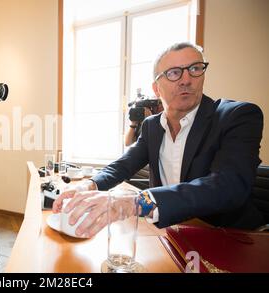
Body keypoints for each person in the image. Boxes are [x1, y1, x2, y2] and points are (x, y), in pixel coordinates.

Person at [53, 42, 265, 238]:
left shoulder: (238, 115)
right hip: (172, 232)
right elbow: (123, 165)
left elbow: (228, 186)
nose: (186, 79)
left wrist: (137, 202)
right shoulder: (152, 126)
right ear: (156, 88)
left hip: (229, 236)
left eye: (195, 69)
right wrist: (89, 185)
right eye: (174, 73)